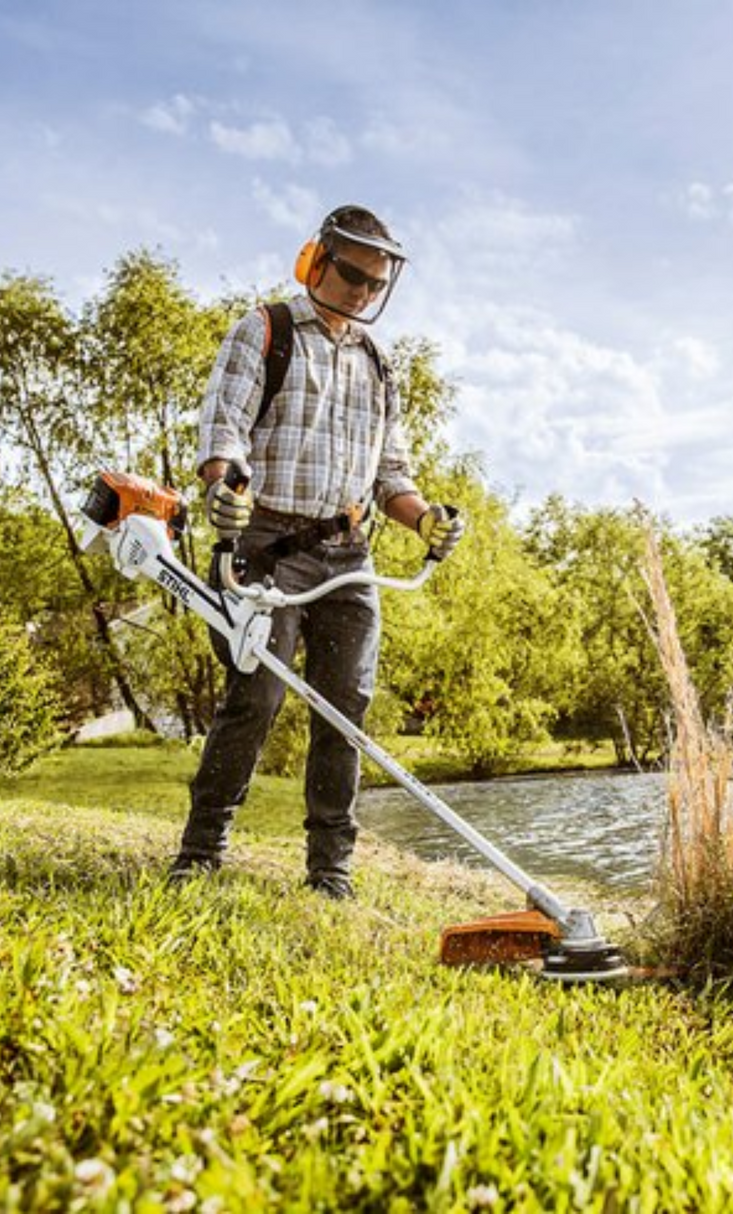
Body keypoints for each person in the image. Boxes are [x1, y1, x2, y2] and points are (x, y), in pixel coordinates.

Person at [170, 204, 464, 899]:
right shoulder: (266, 330)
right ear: (317, 262)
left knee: (346, 706)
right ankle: (200, 852)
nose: (363, 292)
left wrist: (424, 520)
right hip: (268, 543)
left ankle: (330, 872)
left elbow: (391, 473)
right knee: (256, 697)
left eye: (376, 283)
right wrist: (225, 489)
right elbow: (224, 430)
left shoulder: (379, 363)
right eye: (354, 275)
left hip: (348, 553)